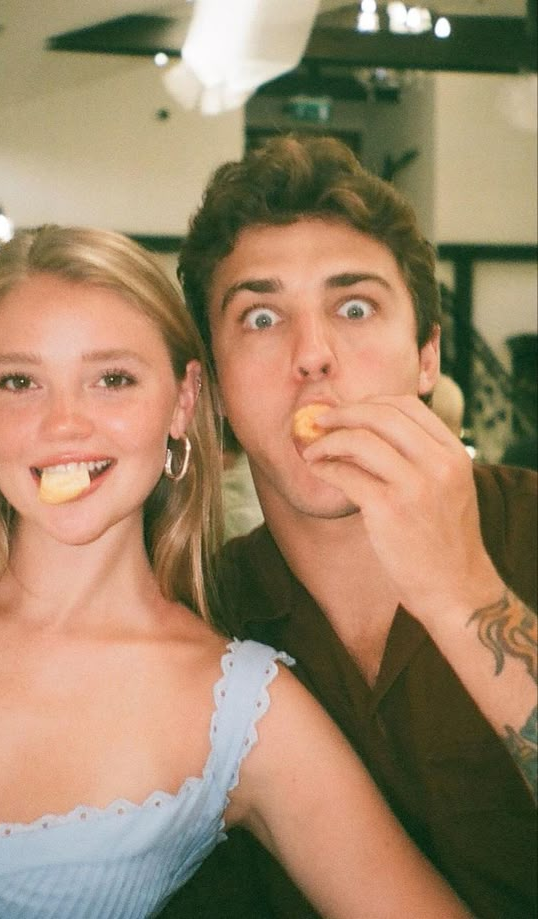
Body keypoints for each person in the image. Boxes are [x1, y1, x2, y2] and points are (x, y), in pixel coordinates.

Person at [0, 225, 473, 919]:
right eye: (20, 381)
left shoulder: (246, 713)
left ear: (183, 402)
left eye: (113, 379)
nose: (64, 423)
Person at [160, 135, 537, 919]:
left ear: (427, 355)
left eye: (354, 307)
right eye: (261, 317)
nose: (313, 355)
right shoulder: (193, 614)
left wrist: (461, 590)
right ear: (215, 388)